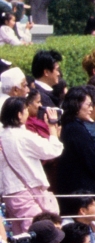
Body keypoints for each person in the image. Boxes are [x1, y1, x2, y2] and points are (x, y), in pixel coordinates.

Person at [0, 95, 60, 231]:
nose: (28, 113)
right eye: (26, 110)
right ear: (19, 114)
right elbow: (53, 150)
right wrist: (52, 128)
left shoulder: (2, 135)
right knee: (35, 230)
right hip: (26, 191)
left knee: (19, 233)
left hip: (8, 191)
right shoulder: (23, 136)